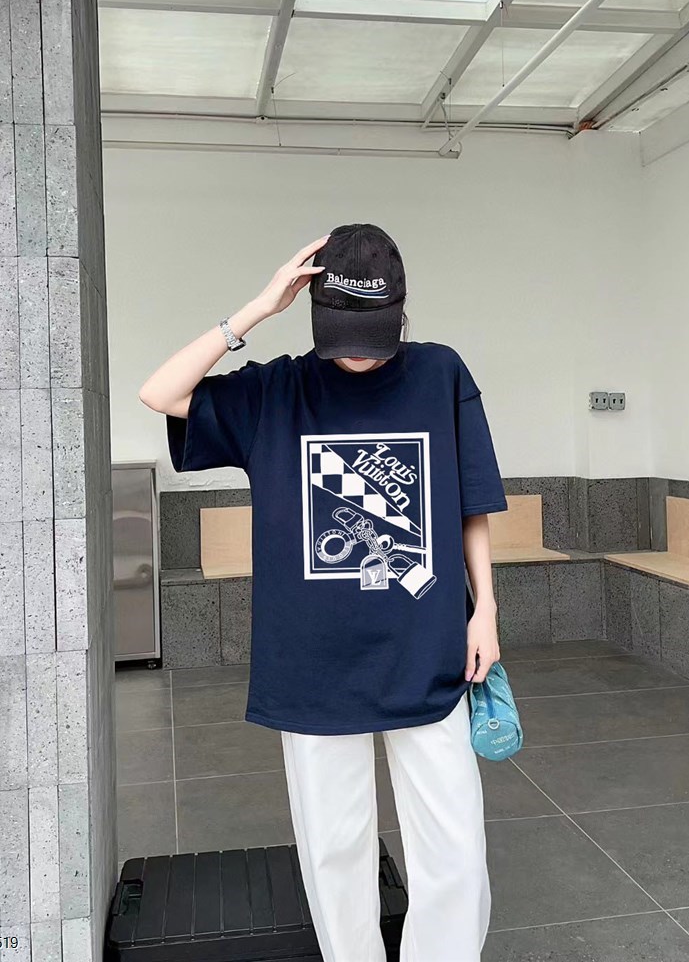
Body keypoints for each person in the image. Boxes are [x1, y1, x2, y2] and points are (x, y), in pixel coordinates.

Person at [139, 223, 508, 962]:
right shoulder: (277, 390)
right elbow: (161, 392)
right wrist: (258, 306)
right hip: (312, 663)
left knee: (457, 854)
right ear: (314, 314)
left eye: (375, 333)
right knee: (335, 855)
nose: (360, 352)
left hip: (427, 649)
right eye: (344, 334)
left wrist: (487, 611)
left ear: (401, 312)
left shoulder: (440, 374)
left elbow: (470, 501)